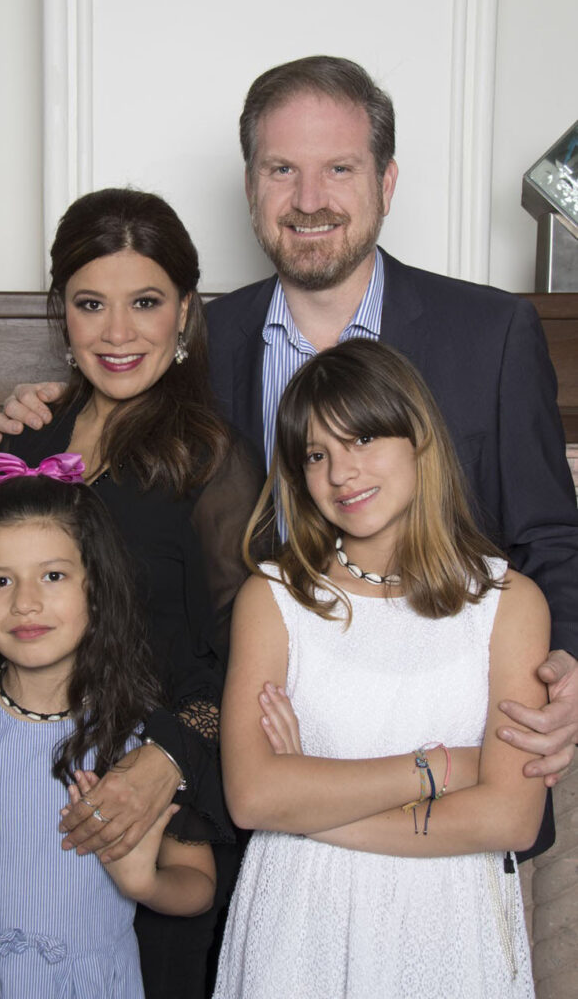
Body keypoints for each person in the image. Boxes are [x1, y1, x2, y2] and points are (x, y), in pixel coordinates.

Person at [0, 57, 578, 814]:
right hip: (259, 751)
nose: (309, 200)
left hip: (452, 746)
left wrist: (569, 664)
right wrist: (47, 410)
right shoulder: (195, 344)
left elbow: (551, 535)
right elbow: (116, 444)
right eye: (281, 170)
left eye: (339, 168)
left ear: (386, 183)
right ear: (249, 186)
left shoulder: (491, 333)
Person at [0, 188, 265, 999]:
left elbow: (251, 664)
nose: (117, 333)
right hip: (19, 806)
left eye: (146, 303)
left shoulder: (213, 461)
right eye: (91, 304)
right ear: (60, 312)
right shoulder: (32, 435)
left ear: (185, 312)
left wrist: (166, 757)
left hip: (153, 817)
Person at [213, 339, 546, 998]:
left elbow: (509, 819)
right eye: (316, 455)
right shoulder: (274, 598)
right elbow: (252, 797)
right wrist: (443, 768)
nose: (341, 472)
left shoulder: (508, 603)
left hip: (451, 922)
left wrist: (310, 807)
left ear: (418, 438)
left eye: (362, 439)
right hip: (299, 918)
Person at [0, 466, 216, 998]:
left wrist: (145, 882)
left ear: (97, 588)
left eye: (53, 576)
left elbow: (198, 884)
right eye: (1, 580)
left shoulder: (143, 739)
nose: (25, 602)